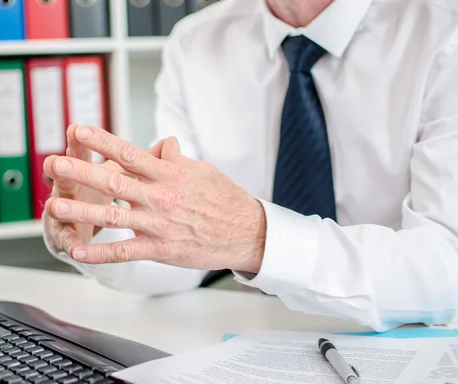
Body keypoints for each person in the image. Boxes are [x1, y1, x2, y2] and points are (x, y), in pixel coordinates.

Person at [42, 0, 458, 332]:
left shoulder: (445, 33)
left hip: (403, 342)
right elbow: (186, 255)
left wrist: (255, 238)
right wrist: (98, 229)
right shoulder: (194, 42)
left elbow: (445, 267)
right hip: (254, 337)